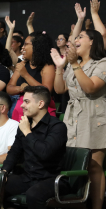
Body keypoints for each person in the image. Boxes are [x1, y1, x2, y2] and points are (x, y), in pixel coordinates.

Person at [52, 29, 106, 209]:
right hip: (73, 115)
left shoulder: (102, 63)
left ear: (92, 42)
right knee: (75, 161)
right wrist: (60, 67)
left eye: (80, 36)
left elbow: (90, 88)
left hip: (93, 116)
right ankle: (77, 203)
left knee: (94, 166)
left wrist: (74, 63)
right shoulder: (73, 64)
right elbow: (60, 89)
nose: (76, 40)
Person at [2, 86, 70, 209]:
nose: (22, 105)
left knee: (34, 194)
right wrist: (4, 172)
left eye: (26, 101)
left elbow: (45, 152)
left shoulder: (57, 127)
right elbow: (14, 152)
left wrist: (28, 132)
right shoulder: (24, 125)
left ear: (40, 104)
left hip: (52, 179)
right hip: (28, 177)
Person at [6, 31, 56, 122]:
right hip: (20, 112)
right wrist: (21, 88)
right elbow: (9, 88)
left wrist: (25, 75)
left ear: (36, 47)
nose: (23, 47)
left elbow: (46, 91)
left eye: (26, 44)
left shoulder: (47, 66)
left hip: (41, 113)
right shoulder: (22, 65)